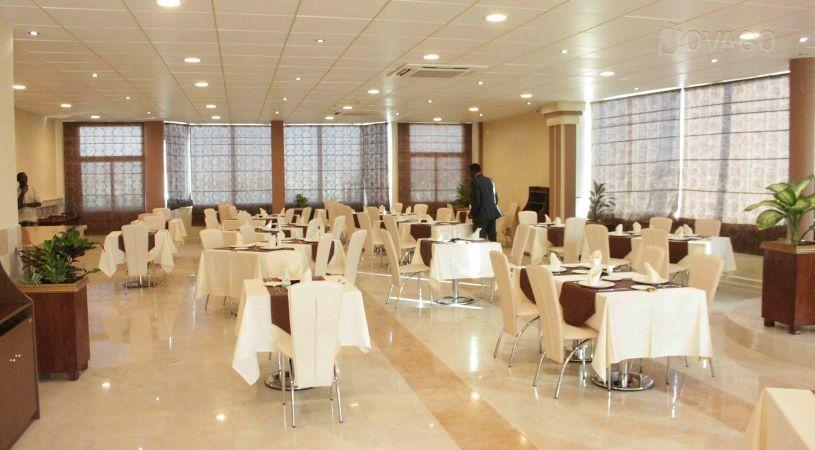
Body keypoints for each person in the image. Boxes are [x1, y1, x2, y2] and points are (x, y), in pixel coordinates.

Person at [468, 163, 502, 242]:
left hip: (481, 216)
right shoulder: (490, 180)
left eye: (469, 172)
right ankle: (494, 250)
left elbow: (476, 201)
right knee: (492, 239)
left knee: (479, 239)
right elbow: (496, 198)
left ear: (473, 171)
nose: (469, 174)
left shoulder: (475, 182)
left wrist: (471, 213)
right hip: (492, 214)